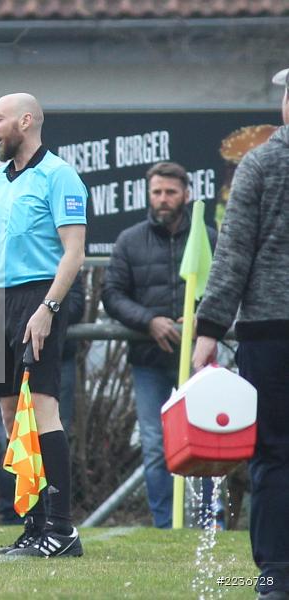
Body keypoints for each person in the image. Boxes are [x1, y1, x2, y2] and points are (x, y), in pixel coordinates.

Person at [0, 93, 86, 557]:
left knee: (43, 410)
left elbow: (74, 252)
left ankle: (62, 530)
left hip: (38, 297)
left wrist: (48, 308)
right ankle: (33, 527)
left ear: (26, 121)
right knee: (10, 415)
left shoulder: (59, 175)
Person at [193, 67, 289, 600]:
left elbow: (233, 253)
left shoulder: (261, 163)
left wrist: (209, 328)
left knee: (273, 453)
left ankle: (276, 573)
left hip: (269, 332)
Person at [102, 161, 218, 529]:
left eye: (170, 192)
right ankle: (165, 526)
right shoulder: (129, 240)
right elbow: (112, 294)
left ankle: (208, 525)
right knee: (154, 445)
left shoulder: (208, 238)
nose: (163, 199)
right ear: (148, 195)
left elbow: (226, 287)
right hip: (149, 361)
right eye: (157, 192)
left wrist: (204, 319)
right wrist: (148, 321)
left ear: (186, 194)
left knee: (206, 440)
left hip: (199, 361)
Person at [0, 245, 84, 524]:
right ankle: (29, 519)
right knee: (9, 424)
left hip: (39, 326)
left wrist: (47, 308)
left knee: (44, 421)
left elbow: (76, 300)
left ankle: (57, 523)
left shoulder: (47, 244)